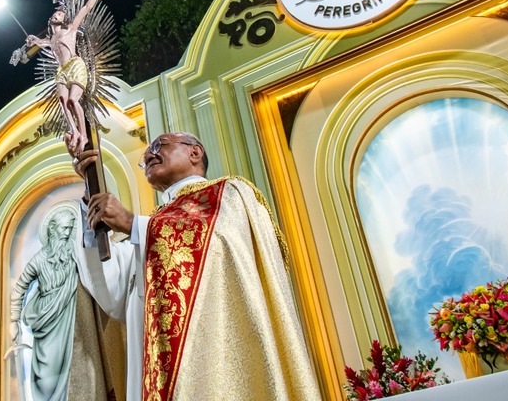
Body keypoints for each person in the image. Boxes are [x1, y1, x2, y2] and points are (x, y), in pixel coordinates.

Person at [71, 132, 322, 401]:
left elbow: (214, 241)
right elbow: (114, 291)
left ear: (195, 153)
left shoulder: (229, 193)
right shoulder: (150, 229)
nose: (148, 156)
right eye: (144, 159)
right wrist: (92, 192)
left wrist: (134, 224)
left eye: (159, 146)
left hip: (217, 361)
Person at [26, 0, 111, 155]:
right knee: (63, 99)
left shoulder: (70, 29)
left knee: (73, 100)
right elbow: (39, 43)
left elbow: (87, 8)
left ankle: (84, 135)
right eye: (56, 13)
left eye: (59, 14)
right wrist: (33, 40)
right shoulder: (50, 39)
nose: (57, 15)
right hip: (61, 70)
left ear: (64, 20)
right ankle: (74, 131)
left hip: (74, 65)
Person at [8, 204, 79, 401]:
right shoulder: (39, 260)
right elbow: (20, 287)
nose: (68, 233)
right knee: (46, 379)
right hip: (46, 322)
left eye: (71, 228)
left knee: (74, 366)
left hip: (70, 316)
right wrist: (14, 321)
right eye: (65, 228)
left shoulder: (74, 252)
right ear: (53, 229)